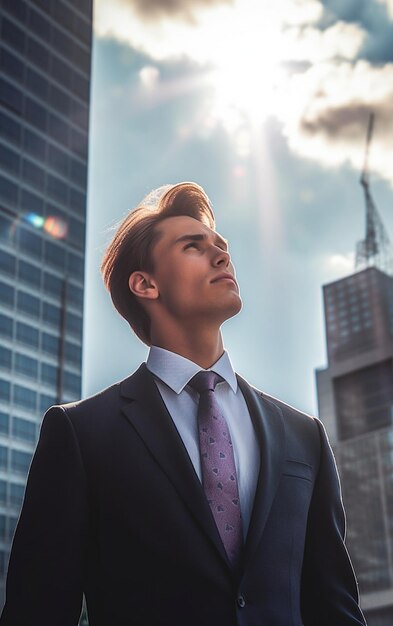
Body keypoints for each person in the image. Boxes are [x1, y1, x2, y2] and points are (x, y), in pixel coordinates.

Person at [0, 182, 366, 626]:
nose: (221, 255)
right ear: (145, 284)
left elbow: (336, 609)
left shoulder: (303, 435)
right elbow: (36, 611)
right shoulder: (81, 434)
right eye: (193, 247)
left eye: (220, 246)